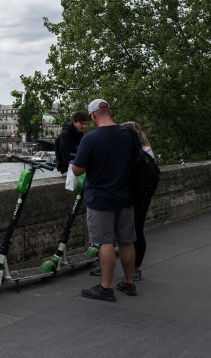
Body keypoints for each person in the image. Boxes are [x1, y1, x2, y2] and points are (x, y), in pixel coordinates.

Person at [72, 99, 137, 301]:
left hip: (101, 198)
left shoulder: (90, 139)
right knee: (127, 240)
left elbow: (78, 170)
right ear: (109, 111)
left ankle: (106, 287)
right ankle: (128, 283)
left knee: (105, 242)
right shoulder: (129, 134)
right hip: (125, 195)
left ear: (92, 116)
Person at [122, 121, 155, 281]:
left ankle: (134, 267)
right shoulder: (148, 151)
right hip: (144, 196)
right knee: (137, 231)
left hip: (134, 196)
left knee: (133, 232)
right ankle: (135, 268)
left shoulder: (134, 152)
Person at [56, 110, 89, 175]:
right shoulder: (65, 134)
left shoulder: (80, 134)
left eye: (86, 124)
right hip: (67, 169)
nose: (84, 126)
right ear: (74, 122)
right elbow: (67, 155)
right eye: (82, 123)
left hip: (76, 167)